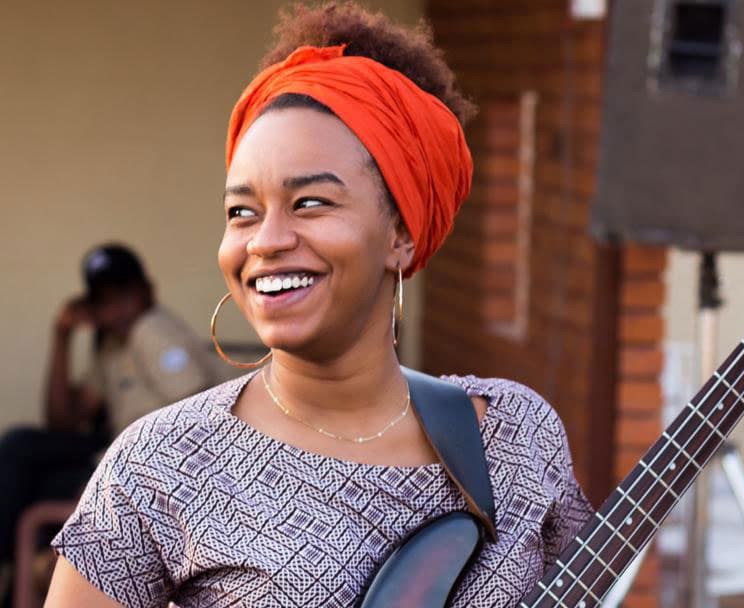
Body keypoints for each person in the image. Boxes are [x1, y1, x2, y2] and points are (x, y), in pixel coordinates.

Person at [45, 4, 594, 607]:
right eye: (242, 212)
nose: (265, 241)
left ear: (400, 234)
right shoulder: (158, 466)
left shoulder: (517, 434)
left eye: (309, 203)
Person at [0, 244, 225, 576]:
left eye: (124, 295)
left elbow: (198, 415)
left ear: (147, 292)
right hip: (118, 456)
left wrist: (110, 478)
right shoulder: (112, 343)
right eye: (104, 301)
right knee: (21, 448)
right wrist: (62, 335)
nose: (116, 308)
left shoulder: (152, 328)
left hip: (155, 467)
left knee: (34, 487)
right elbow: (63, 421)